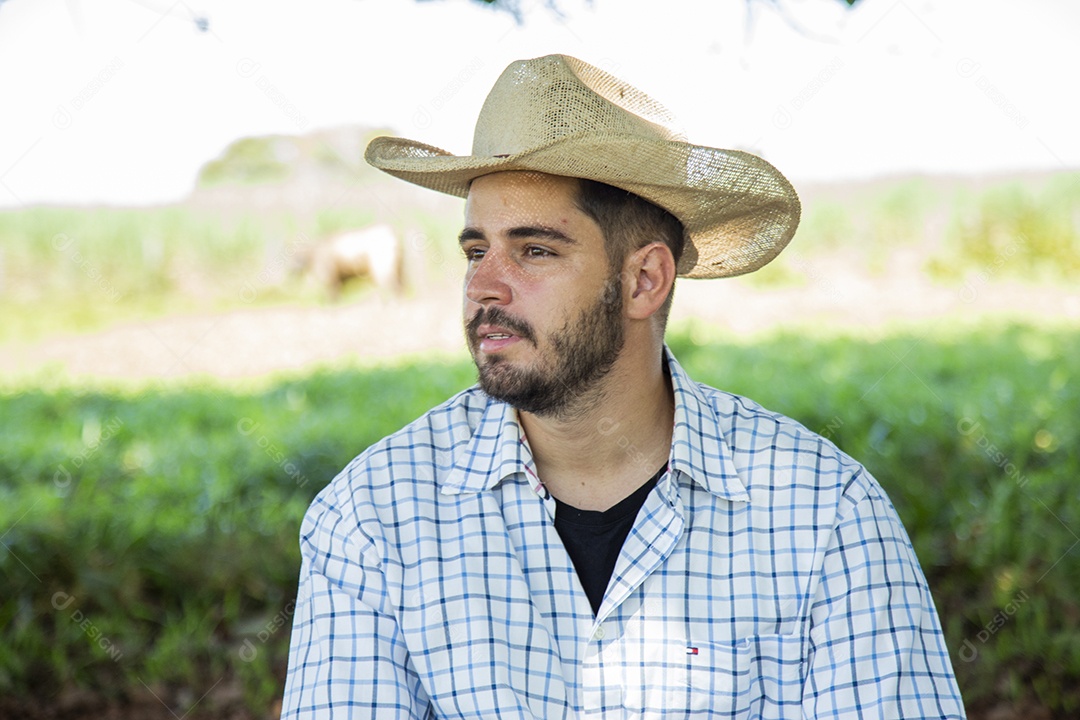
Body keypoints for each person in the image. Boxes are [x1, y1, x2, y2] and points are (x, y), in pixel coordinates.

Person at [281, 54, 966, 719]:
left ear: (644, 281)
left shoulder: (824, 516)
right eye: (475, 250)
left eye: (535, 250)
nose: (483, 287)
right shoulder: (373, 518)